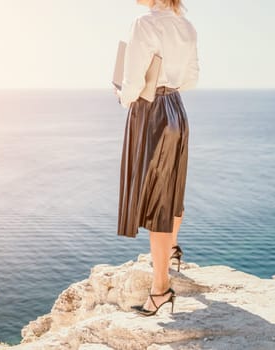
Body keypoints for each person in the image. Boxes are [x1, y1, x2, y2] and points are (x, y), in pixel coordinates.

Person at [114, 0, 199, 316]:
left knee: (157, 203)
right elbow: (191, 79)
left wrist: (122, 97)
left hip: (152, 114)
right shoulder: (187, 27)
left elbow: (133, 82)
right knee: (173, 191)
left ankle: (161, 290)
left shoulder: (144, 23)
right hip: (177, 109)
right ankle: (172, 249)